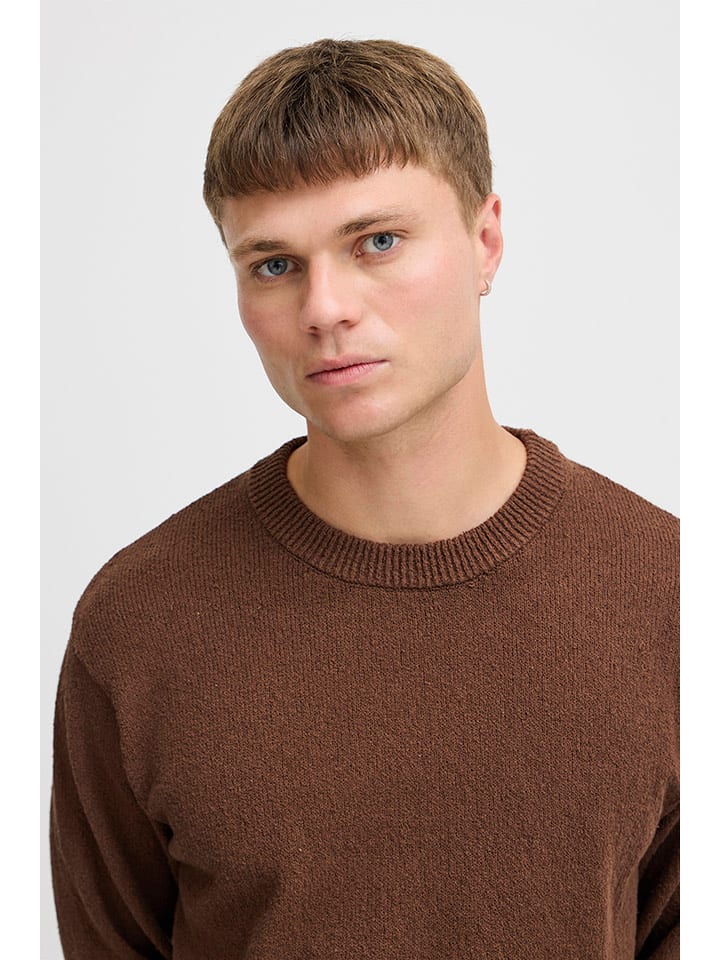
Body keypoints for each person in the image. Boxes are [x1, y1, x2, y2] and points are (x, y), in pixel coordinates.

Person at [50, 38, 679, 959]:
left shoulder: (670, 595)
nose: (325, 309)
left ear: (486, 241)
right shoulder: (139, 624)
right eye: (273, 264)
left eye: (377, 242)